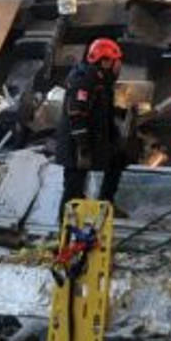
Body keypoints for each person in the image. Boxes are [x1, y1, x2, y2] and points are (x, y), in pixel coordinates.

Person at [56, 38, 127, 217]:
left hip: (94, 139)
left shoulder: (102, 81)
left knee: (118, 159)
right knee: (73, 187)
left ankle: (105, 204)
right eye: (116, 62)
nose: (119, 67)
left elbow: (101, 111)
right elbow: (77, 115)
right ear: (105, 62)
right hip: (77, 144)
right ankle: (65, 228)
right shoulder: (84, 80)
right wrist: (83, 147)